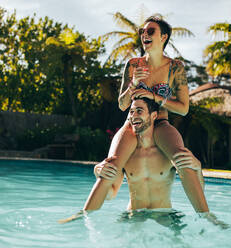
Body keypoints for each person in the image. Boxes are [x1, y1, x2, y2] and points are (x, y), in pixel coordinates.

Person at [81, 15, 206, 214]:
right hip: (132, 123)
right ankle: (83, 216)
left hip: (161, 122)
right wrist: (132, 85)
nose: (144, 35)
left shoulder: (175, 68)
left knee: (183, 158)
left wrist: (152, 95)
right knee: (110, 165)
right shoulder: (133, 65)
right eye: (142, 32)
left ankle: (207, 216)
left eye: (150, 31)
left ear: (164, 37)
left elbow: (183, 108)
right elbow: (122, 105)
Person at [59, 98, 228, 229]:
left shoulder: (167, 153)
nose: (133, 116)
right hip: (133, 215)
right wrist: (98, 173)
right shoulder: (127, 155)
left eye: (139, 111)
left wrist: (197, 167)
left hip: (165, 215)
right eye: (131, 112)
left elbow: (199, 188)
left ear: (153, 116)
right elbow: (111, 194)